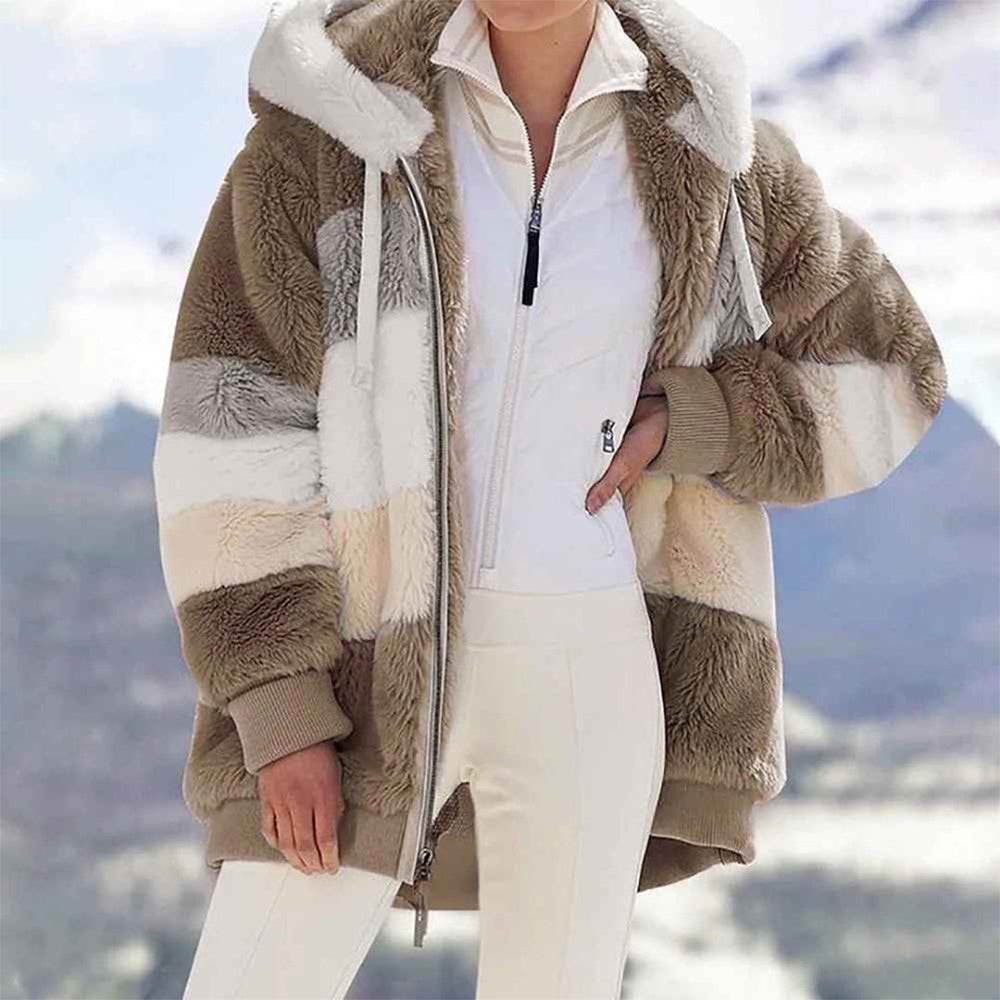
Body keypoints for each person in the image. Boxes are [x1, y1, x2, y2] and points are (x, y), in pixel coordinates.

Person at [151, 0, 948, 997]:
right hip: (361, 670)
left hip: (589, 667)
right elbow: (229, 421)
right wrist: (277, 702)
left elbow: (894, 372)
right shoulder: (334, 121)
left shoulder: (715, 152)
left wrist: (704, 421)